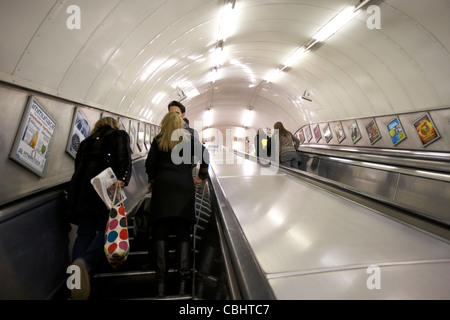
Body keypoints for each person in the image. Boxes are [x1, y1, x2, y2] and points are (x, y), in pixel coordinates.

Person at [67, 117, 132, 300]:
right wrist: (123, 178)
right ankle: (85, 264)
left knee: (84, 233)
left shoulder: (87, 141)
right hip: (105, 187)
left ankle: (75, 279)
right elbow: (124, 158)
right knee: (108, 227)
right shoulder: (119, 135)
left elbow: (77, 165)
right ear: (114, 125)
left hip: (82, 189)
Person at [145, 112, 209, 297]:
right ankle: (183, 283)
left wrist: (153, 179)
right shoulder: (189, 139)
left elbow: (150, 164)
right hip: (184, 187)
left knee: (161, 234)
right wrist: (201, 176)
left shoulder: (159, 139)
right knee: (183, 235)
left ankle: (161, 284)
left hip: (163, 187)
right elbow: (206, 155)